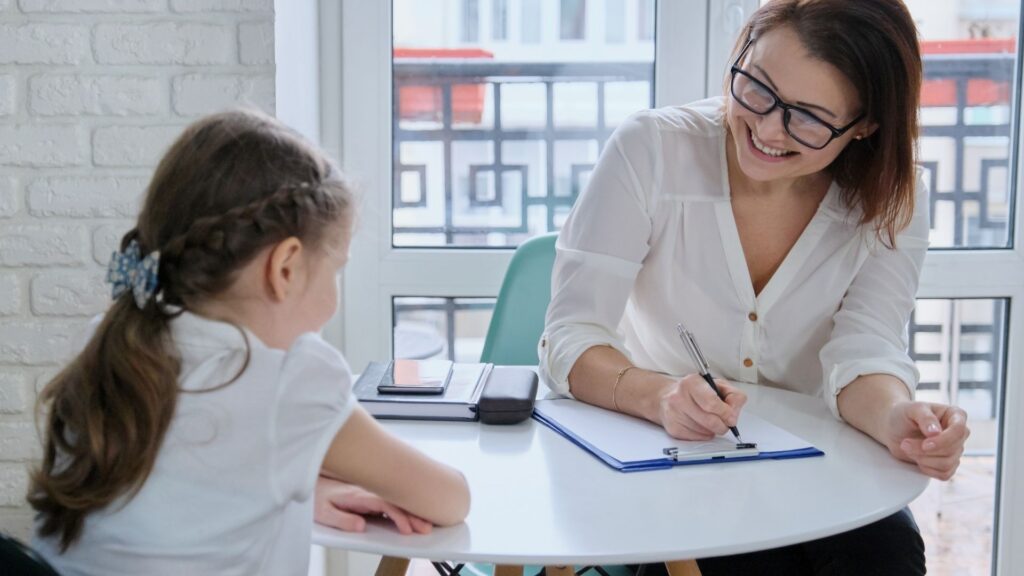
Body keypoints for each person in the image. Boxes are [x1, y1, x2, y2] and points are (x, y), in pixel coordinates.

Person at [538, 0, 969, 574]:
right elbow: (570, 335)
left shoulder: (895, 198)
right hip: (667, 458)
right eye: (757, 87)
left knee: (886, 555)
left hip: (818, 463)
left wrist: (896, 418)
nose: (766, 128)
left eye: (809, 117)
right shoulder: (652, 149)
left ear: (866, 126)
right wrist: (660, 395)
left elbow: (865, 349)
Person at [28, 109, 470, 576]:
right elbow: (449, 498)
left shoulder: (112, 342)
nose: (334, 298)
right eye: (335, 270)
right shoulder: (292, 381)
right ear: (285, 269)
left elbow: (180, 492)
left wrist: (306, 482)